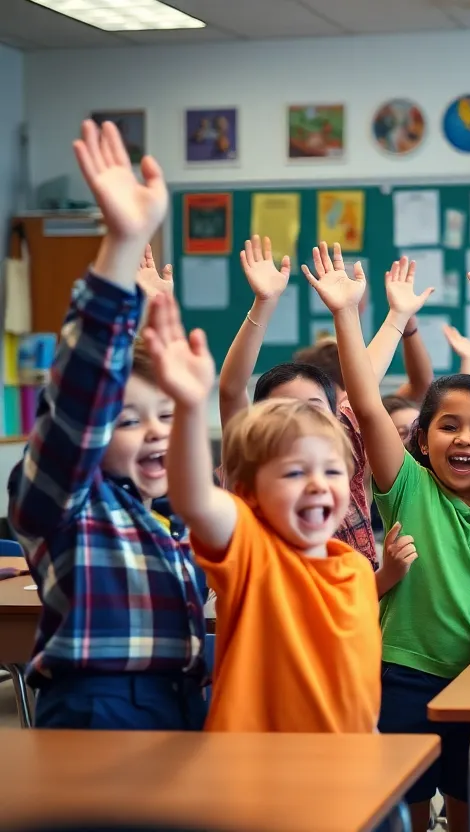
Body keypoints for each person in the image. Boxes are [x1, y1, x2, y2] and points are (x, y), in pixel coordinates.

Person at [308, 243, 470, 832]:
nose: (465, 439)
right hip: (402, 672)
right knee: (402, 806)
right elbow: (368, 405)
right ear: (422, 441)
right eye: (448, 426)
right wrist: (350, 315)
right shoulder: (410, 489)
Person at [8, 120, 208, 729]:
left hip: (181, 697)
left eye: (168, 415)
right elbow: (78, 399)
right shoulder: (70, 499)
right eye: (127, 420)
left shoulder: (175, 513)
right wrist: (121, 247)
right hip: (99, 703)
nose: (154, 430)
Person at [143, 291, 387, 733]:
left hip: (345, 774)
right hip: (255, 773)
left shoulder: (353, 568)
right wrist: (187, 405)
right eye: (294, 473)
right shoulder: (252, 549)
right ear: (246, 493)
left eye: (331, 470)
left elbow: (357, 686)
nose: (317, 483)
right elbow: (193, 497)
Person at [217, 241, 433, 568]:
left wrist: (398, 316)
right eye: (283, 410)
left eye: (313, 408)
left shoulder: (342, 446)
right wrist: (264, 303)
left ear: (336, 417)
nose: (299, 420)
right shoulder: (251, 461)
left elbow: (366, 378)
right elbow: (231, 390)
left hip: (351, 609)